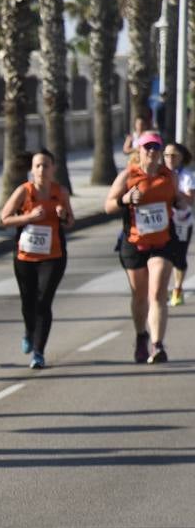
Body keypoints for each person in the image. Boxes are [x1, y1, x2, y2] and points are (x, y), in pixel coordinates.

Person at [104, 131, 188, 364]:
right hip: (134, 243)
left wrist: (182, 204)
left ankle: (158, 344)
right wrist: (126, 200)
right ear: (139, 151)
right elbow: (108, 205)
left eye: (156, 148)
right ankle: (141, 336)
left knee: (157, 292)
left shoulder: (168, 176)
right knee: (140, 296)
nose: (152, 151)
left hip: (162, 243)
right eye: (147, 147)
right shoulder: (128, 176)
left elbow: (178, 198)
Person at [0, 149, 75, 369]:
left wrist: (63, 215)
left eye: (46, 165)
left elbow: (70, 222)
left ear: (53, 169)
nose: (42, 170)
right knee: (28, 302)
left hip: (53, 256)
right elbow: (4, 219)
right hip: (25, 256)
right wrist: (29, 217)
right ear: (32, 170)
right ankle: (29, 330)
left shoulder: (60, 192)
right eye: (38, 166)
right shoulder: (24, 191)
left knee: (43, 302)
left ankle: (39, 352)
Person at [164, 142, 194, 307]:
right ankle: (163, 289)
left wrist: (175, 191)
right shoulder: (160, 174)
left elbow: (190, 200)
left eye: (174, 155)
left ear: (181, 158)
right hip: (164, 222)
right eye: (167, 155)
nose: (170, 159)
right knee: (163, 255)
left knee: (179, 257)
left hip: (182, 221)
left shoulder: (187, 176)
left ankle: (177, 288)